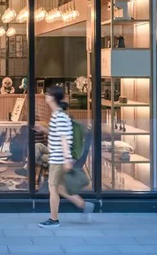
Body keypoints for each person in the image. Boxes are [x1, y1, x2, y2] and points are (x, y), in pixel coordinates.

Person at [36, 86, 94, 227]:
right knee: (60, 188)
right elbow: (59, 134)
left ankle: (53, 220)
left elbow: (64, 139)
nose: (45, 96)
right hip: (59, 158)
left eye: (47, 94)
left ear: (53, 98)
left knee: (53, 189)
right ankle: (83, 205)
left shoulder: (59, 116)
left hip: (58, 159)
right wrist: (45, 130)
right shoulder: (58, 115)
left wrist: (67, 159)